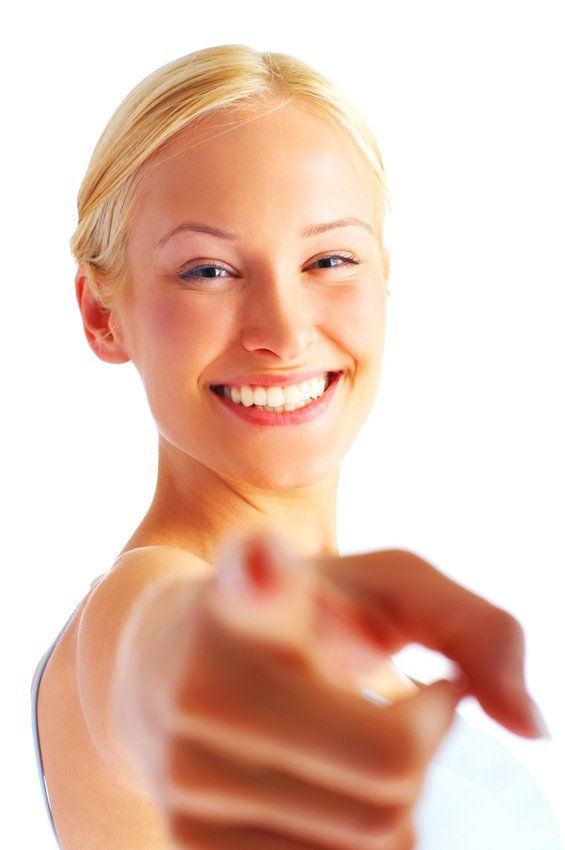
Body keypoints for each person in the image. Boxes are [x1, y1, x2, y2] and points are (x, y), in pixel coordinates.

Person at [30, 44, 562, 850]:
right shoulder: (141, 607)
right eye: (208, 270)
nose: (281, 331)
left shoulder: (381, 670)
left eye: (329, 259)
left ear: (384, 278)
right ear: (104, 315)